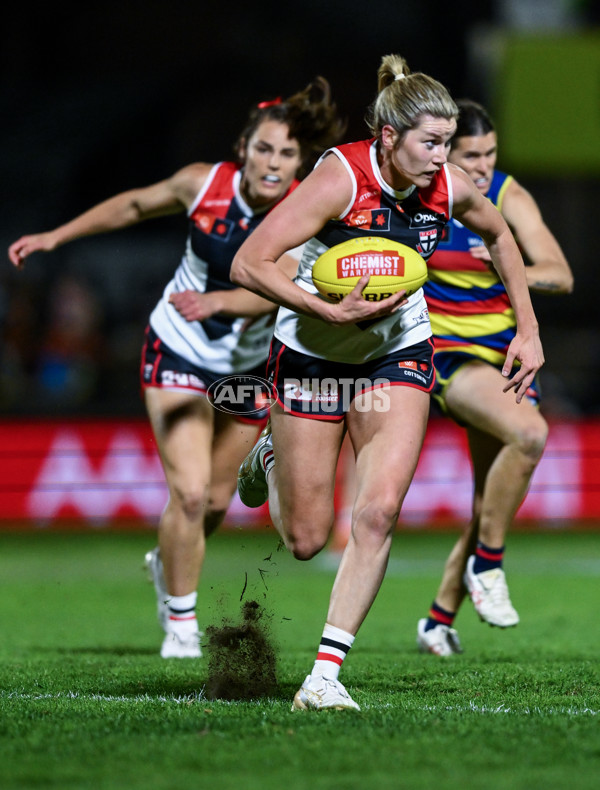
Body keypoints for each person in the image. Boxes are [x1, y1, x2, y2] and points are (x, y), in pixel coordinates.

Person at [231, 55, 544, 711]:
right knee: (306, 538)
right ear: (388, 137)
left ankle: (324, 675)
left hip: (396, 354)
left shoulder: (447, 187)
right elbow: (249, 261)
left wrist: (529, 329)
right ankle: (269, 453)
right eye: (430, 143)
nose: (442, 159)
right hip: (312, 355)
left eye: (447, 144)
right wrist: (325, 308)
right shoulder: (339, 178)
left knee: (376, 512)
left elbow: (501, 236)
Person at [8, 78, 346, 659]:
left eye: (287, 153)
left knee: (214, 503)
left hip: (244, 371)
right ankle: (181, 625)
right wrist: (57, 235)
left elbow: (274, 291)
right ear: (244, 147)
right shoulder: (203, 184)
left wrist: (219, 302)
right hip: (177, 351)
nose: (272, 162)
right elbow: (136, 203)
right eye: (263, 148)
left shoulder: (302, 212)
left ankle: (167, 561)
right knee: (188, 495)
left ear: (299, 163)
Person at [416, 99, 573, 657]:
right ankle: (490, 564)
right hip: (448, 354)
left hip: (503, 356)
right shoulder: (425, 198)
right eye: (470, 156)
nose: (482, 167)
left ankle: (437, 620)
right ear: (444, 154)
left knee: (490, 499)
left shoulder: (508, 197)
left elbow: (560, 274)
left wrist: (508, 264)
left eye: (490, 154)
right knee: (529, 435)